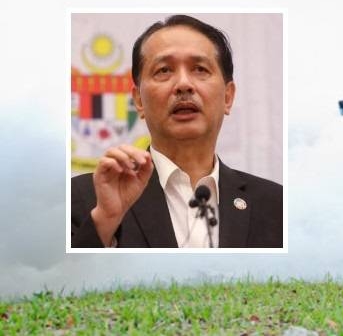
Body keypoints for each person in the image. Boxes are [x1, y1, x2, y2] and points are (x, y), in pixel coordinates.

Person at [70, 15, 282, 248]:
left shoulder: (275, 204)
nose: (183, 84)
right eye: (163, 70)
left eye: (200, 69)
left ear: (228, 97)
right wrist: (105, 221)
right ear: (138, 100)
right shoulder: (84, 198)